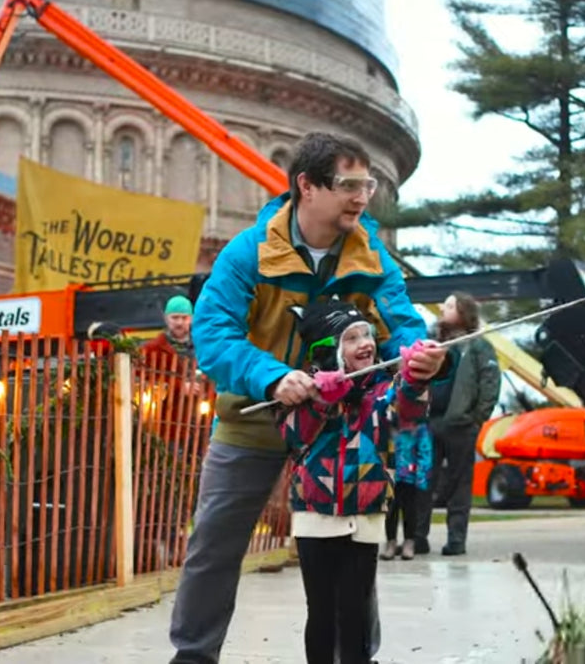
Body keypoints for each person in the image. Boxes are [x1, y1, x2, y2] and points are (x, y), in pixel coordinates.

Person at [168, 131, 451, 664]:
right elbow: (212, 333)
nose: (362, 196)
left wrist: (422, 358)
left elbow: (402, 325)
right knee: (214, 546)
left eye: (366, 184)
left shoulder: (372, 257)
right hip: (252, 424)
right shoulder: (247, 254)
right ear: (307, 186)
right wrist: (273, 378)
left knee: (354, 556)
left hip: (341, 435)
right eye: (348, 184)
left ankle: (354, 656)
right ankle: (193, 655)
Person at [277, 298, 432, 663]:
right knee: (321, 611)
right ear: (329, 350)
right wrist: (321, 400)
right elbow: (293, 438)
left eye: (367, 335)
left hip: (366, 514)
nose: (365, 343)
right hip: (314, 515)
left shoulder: (381, 391)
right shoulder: (303, 389)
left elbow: (409, 414)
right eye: (351, 338)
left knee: (355, 608)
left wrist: (415, 380)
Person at [413, 292, 501, 557]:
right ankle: (418, 537)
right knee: (423, 482)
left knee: (460, 484)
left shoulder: (478, 347)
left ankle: (456, 540)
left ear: (464, 312)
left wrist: (476, 419)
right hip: (429, 423)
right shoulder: (430, 342)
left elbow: (490, 383)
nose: (442, 308)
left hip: (461, 426)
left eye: (450, 306)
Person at [379, 394, 433, 561]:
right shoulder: (388, 426)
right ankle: (391, 542)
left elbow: (425, 452)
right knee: (391, 510)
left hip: (410, 476)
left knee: (410, 510)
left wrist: (422, 476)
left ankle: (409, 542)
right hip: (391, 476)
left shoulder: (420, 428)